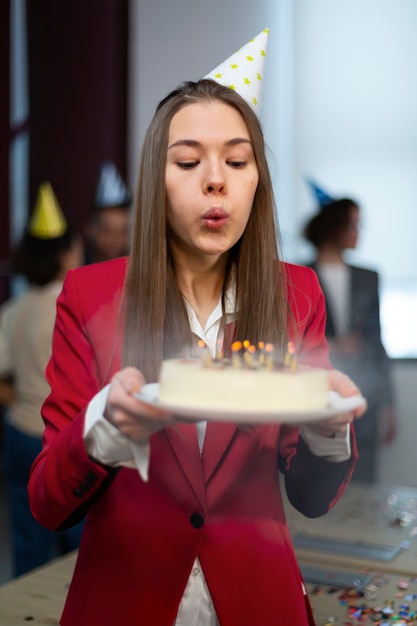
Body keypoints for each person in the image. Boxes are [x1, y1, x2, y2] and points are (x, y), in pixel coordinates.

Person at [0, 182, 85, 576]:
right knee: (80, 554)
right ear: (65, 252)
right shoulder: (76, 306)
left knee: (28, 549)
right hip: (65, 437)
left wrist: (27, 397)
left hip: (20, 433)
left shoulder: (13, 310)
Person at [303, 186, 397, 483]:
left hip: (363, 397)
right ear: (333, 226)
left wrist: (388, 402)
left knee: (363, 481)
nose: (358, 231)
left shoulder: (369, 278)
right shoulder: (296, 275)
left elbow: (376, 342)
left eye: (359, 224)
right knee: (317, 485)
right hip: (316, 397)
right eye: (353, 224)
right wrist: (332, 345)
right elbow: (284, 342)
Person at [84, 160, 132, 264]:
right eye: (107, 230)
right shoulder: (78, 273)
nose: (115, 240)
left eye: (123, 232)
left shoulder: (137, 274)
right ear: (90, 229)